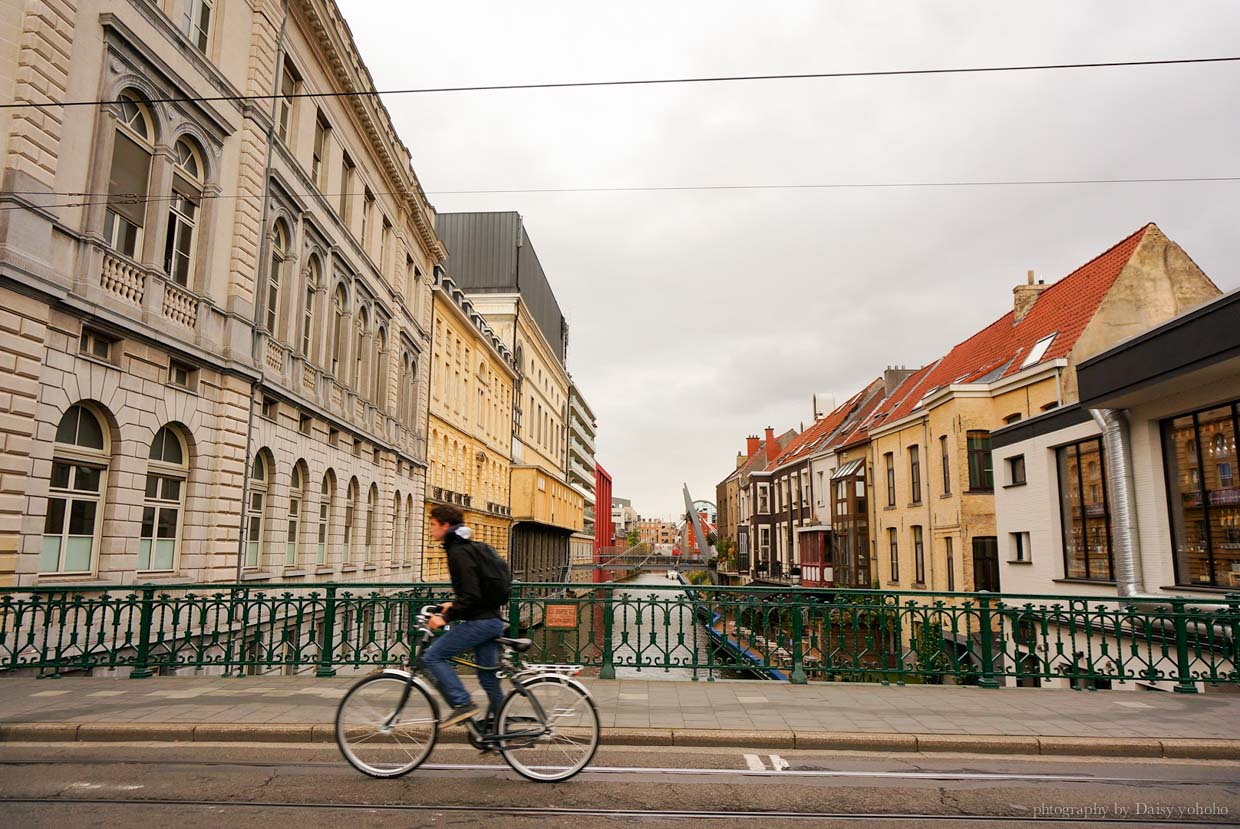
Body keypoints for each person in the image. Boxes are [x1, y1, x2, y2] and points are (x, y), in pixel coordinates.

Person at [421, 504, 507, 727]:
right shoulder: (467, 547)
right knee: (488, 678)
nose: (430, 529)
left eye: (432, 524)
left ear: (445, 525)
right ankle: (499, 728)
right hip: (491, 619)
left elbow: (470, 594)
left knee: (432, 657)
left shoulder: (458, 552)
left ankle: (463, 703)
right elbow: (474, 592)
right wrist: (453, 604)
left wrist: (445, 618)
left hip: (481, 622)